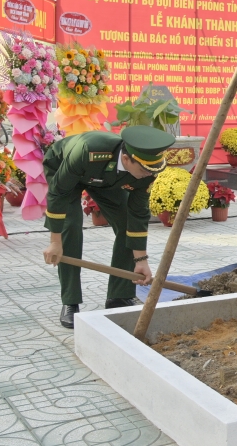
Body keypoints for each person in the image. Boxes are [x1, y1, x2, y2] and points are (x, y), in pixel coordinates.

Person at [42, 126, 175, 329]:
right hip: (66, 168)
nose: (148, 174)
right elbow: (58, 193)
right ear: (127, 159)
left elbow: (137, 216)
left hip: (105, 179)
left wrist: (141, 260)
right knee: (71, 228)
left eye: (152, 170)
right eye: (144, 170)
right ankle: (70, 302)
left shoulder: (146, 170)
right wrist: (54, 242)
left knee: (124, 225)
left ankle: (119, 296)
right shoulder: (88, 150)